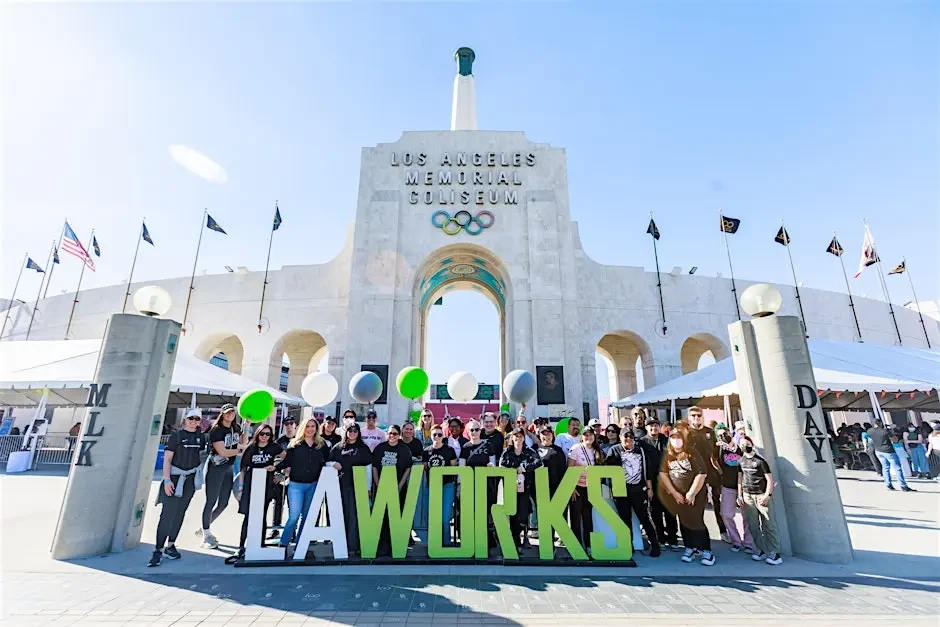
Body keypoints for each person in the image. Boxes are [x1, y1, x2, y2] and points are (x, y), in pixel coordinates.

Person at [149, 409, 207, 567]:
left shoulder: (200, 437)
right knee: (167, 514)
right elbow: (167, 459)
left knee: (180, 512)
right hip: (175, 478)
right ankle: (158, 549)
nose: (193, 421)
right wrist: (167, 480)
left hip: (190, 479)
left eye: (196, 419)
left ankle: (171, 545)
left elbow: (199, 454)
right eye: (190, 418)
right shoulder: (176, 436)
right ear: (185, 419)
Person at [659, 422, 715, 566]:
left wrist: (692, 492)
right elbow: (663, 474)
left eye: (679, 437)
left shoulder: (692, 452)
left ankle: (706, 550)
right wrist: (675, 493)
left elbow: (701, 473)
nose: (676, 440)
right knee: (684, 521)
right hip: (678, 495)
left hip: (695, 494)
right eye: (673, 437)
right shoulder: (668, 454)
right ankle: (689, 547)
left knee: (696, 520)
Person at [227, 424, 282, 564]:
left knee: (262, 515)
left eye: (268, 434)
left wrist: (277, 469)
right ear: (257, 433)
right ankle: (241, 545)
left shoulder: (274, 447)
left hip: (267, 485)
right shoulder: (251, 448)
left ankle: (260, 543)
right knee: (248, 515)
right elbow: (243, 469)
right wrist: (240, 488)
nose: (264, 436)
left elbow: (286, 458)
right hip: (251, 484)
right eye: (262, 433)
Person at [606, 429, 660, 557]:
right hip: (621, 490)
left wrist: (649, 488)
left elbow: (647, 471)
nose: (628, 439)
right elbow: (608, 468)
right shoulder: (614, 450)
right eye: (625, 436)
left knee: (644, 518)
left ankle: (655, 544)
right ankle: (627, 546)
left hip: (638, 490)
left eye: (631, 436)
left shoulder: (640, 450)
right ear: (620, 437)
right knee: (625, 520)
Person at [276, 417, 327, 553]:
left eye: (313, 426)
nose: (310, 429)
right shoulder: (294, 444)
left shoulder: (321, 445)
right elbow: (286, 462)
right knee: (294, 516)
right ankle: (284, 543)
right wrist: (275, 468)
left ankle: (300, 545)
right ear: (303, 428)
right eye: (308, 426)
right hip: (296, 485)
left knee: (307, 516)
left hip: (313, 485)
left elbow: (328, 460)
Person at [199, 404, 244, 549]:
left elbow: (242, 442)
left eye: (232, 412)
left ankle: (204, 528)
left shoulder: (235, 428)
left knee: (223, 503)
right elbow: (222, 452)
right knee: (211, 500)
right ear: (222, 414)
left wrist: (247, 427)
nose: (230, 414)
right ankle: (206, 534)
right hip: (216, 468)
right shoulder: (216, 430)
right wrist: (239, 451)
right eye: (227, 412)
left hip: (229, 468)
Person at [736, 434, 782, 565]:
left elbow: (769, 479)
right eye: (742, 444)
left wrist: (768, 495)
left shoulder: (760, 461)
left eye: (747, 444)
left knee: (768, 524)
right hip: (747, 494)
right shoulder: (741, 461)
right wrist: (739, 495)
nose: (745, 446)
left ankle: (775, 552)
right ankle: (760, 549)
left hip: (761, 494)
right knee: (753, 524)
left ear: (752, 444)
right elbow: (740, 479)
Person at [328, 422, 372, 555]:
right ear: (346, 432)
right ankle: (340, 544)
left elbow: (368, 468)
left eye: (355, 431)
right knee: (340, 515)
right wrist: (333, 464)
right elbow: (326, 462)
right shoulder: (338, 447)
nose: (352, 433)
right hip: (340, 485)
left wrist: (368, 488)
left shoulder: (363, 448)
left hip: (357, 487)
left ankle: (353, 546)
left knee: (354, 516)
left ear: (359, 433)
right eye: (350, 430)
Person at [371, 425, 413, 557]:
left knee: (396, 515)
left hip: (398, 488)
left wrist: (400, 486)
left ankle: (396, 544)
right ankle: (383, 545)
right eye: (390, 433)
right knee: (382, 517)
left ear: (399, 435)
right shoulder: (380, 448)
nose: (392, 436)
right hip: (382, 488)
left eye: (395, 434)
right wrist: (378, 484)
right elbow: (374, 467)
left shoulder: (404, 449)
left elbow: (408, 468)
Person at [687, 406, 727, 542]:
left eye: (698, 415)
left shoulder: (710, 432)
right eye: (693, 415)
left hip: (712, 472)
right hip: (696, 475)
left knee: (718, 502)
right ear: (689, 417)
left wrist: (719, 469)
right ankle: (699, 535)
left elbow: (717, 453)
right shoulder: (686, 433)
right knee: (698, 504)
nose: (696, 418)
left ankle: (723, 530)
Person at [499, 427, 543, 548]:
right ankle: (515, 542)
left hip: (525, 488)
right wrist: (514, 468)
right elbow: (502, 465)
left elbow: (538, 462)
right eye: (516, 436)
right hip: (510, 488)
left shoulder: (529, 451)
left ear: (524, 438)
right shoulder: (507, 452)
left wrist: (525, 468)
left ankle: (514, 535)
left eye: (520, 436)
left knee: (523, 516)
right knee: (513, 514)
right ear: (512, 438)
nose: (518, 439)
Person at [714, 424, 754, 553]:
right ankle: (736, 540)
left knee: (747, 515)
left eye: (725, 433)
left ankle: (748, 542)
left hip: (745, 485)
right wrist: (721, 473)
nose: (723, 436)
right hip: (728, 485)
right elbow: (713, 460)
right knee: (726, 514)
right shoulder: (719, 449)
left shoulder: (739, 446)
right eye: (720, 435)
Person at [642, 419, 679, 550]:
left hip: (668, 481)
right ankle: (660, 539)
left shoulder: (666, 440)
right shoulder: (642, 442)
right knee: (655, 513)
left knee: (670, 511)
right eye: (651, 426)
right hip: (652, 481)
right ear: (646, 428)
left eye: (656, 425)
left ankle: (673, 539)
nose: (654, 428)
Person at [567, 427, 602, 554]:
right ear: (582, 436)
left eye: (590, 435)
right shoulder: (575, 448)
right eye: (585, 435)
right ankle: (576, 547)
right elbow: (569, 468)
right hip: (577, 488)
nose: (588, 437)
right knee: (576, 518)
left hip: (591, 488)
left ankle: (589, 546)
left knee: (588, 518)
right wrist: (571, 488)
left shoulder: (597, 450)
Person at [423, 423, 458, 546]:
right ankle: (434, 542)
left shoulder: (449, 450)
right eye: (434, 434)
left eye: (439, 434)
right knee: (432, 516)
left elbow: (454, 469)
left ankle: (446, 542)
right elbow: (425, 469)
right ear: (431, 436)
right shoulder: (426, 452)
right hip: (431, 486)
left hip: (447, 485)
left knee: (445, 516)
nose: (436, 437)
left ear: (443, 436)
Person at [268, 417, 297, 540]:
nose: (289, 426)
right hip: (280, 477)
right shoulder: (279, 441)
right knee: (278, 503)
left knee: (293, 506)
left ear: (295, 425)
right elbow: (274, 459)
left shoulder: (299, 440)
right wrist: (279, 473)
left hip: (295, 477)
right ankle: (275, 530)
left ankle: (293, 532)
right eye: (286, 424)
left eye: (291, 423)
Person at [866, 421, 914, 491]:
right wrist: (892, 432)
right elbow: (895, 440)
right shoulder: (885, 431)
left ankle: (888, 484)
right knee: (898, 468)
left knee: (885, 468)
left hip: (878, 450)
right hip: (888, 450)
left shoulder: (870, 431)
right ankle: (903, 485)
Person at [401, 422, 427, 544]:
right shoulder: (399, 442)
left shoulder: (417, 443)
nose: (409, 431)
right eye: (406, 429)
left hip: (414, 479)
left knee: (410, 506)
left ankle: (409, 533)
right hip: (399, 478)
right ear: (402, 430)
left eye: (411, 429)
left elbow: (421, 458)